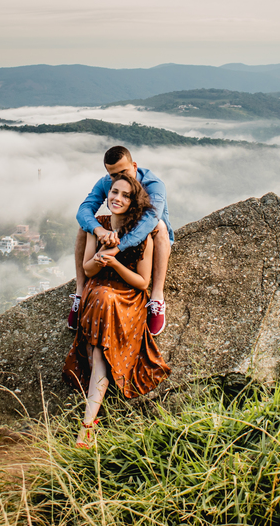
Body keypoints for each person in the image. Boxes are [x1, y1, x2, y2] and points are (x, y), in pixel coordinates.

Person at [62, 173, 171, 447]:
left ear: (134, 202)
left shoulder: (142, 232)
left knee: (101, 331)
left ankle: (88, 424)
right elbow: (88, 269)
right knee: (101, 301)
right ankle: (88, 425)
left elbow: (142, 281)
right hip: (99, 292)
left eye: (125, 195)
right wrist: (100, 258)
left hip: (126, 297)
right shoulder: (97, 225)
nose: (117, 198)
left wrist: (115, 263)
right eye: (114, 193)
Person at [69, 145, 173, 336]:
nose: (118, 178)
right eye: (113, 175)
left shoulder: (153, 185)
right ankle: (80, 292)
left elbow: (149, 220)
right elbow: (84, 210)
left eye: (123, 171)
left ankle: (157, 297)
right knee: (84, 227)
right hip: (114, 237)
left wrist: (118, 247)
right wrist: (99, 230)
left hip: (144, 241)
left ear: (134, 166)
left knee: (160, 226)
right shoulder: (106, 182)